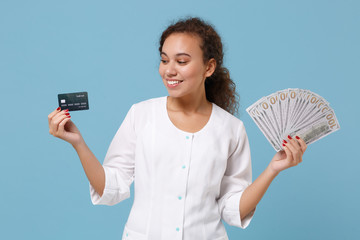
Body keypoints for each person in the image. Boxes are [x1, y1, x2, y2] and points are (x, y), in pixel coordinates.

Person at [48, 17, 307, 240]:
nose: (169, 70)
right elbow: (111, 188)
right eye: (164, 60)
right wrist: (78, 143)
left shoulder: (231, 129)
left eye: (181, 61)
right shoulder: (142, 114)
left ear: (209, 67)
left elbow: (232, 210)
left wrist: (273, 170)